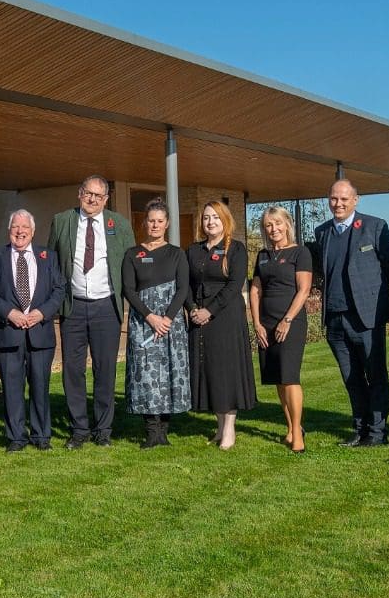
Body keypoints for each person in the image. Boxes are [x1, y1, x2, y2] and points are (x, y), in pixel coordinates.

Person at [47, 175, 136, 449]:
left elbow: (131, 266)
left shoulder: (119, 224)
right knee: (73, 371)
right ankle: (79, 430)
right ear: (79, 193)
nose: (92, 199)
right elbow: (51, 262)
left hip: (106, 306)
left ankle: (103, 430)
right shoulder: (62, 221)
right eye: (88, 193)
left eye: (98, 195)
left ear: (106, 199)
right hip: (73, 307)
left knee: (105, 369)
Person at [308, 179, 389, 447]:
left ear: (356, 200)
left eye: (344, 199)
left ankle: (378, 432)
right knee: (351, 376)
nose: (339, 204)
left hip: (366, 318)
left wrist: (377, 301)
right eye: (334, 199)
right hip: (335, 318)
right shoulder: (322, 232)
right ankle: (360, 428)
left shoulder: (375, 226)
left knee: (375, 375)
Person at [0, 209, 66, 452]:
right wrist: (9, 312)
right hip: (8, 333)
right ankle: (16, 437)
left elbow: (60, 289)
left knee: (40, 386)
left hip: (41, 333)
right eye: (15, 227)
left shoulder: (49, 256)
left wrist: (41, 313)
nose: (20, 231)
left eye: (24, 227)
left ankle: (41, 436)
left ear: (33, 231)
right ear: (9, 231)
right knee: (12, 388)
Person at [185, 200, 257, 450]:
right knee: (209, 370)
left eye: (215, 217)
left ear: (225, 220)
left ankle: (229, 429)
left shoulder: (236, 249)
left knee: (226, 372)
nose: (210, 222)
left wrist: (209, 311)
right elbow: (185, 285)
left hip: (225, 316)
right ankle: (219, 425)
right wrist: (193, 308)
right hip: (199, 316)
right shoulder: (193, 250)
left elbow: (234, 285)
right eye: (206, 218)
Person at [122, 198, 191, 448]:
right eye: (151, 220)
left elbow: (183, 289)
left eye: (160, 221)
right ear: (144, 223)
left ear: (167, 224)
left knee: (170, 373)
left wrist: (168, 318)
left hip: (171, 324)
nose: (155, 225)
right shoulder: (132, 254)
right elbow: (128, 290)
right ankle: (151, 431)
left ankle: (164, 430)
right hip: (143, 322)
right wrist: (150, 317)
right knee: (146, 374)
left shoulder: (177, 254)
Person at [249, 206, 313, 453]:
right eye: (268, 225)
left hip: (291, 322)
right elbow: (255, 291)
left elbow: (304, 290)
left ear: (287, 224)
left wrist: (286, 320)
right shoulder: (263, 255)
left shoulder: (300, 252)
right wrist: (256, 324)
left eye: (277, 223)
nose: (273, 229)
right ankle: (289, 428)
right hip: (266, 323)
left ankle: (298, 433)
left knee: (289, 377)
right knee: (277, 379)